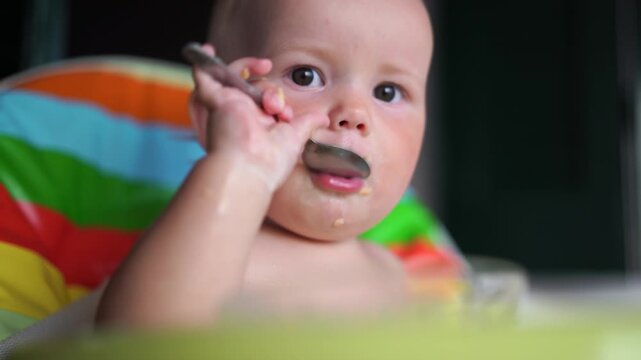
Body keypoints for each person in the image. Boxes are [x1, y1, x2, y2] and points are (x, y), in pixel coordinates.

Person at [95, 0, 436, 327]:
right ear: (212, 116)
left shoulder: (393, 272)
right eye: (305, 76)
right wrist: (243, 166)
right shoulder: (207, 252)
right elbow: (138, 341)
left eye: (388, 92)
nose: (354, 114)